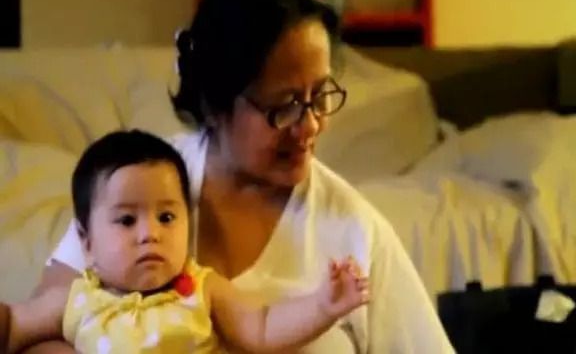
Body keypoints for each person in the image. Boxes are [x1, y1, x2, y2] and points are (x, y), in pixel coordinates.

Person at [25, 0, 455, 353]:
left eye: (319, 96)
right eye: (283, 105)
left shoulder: (357, 234)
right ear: (214, 104)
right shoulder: (141, 187)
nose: (310, 127)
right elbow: (39, 334)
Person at [2, 130, 369, 353]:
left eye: (166, 217)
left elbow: (263, 325)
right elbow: (13, 326)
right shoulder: (76, 299)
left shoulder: (201, 288)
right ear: (86, 243)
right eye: (127, 220)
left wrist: (323, 305)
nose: (150, 234)